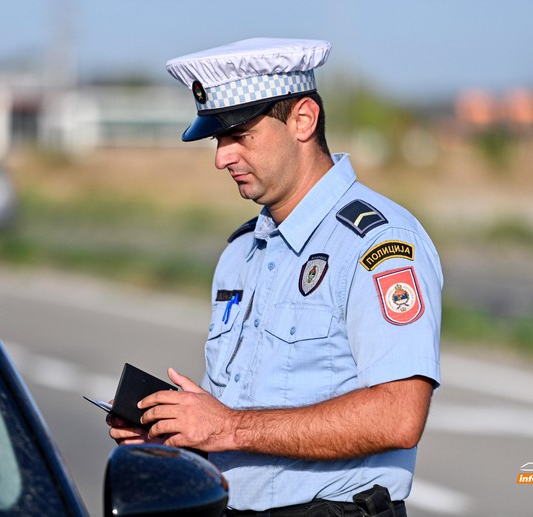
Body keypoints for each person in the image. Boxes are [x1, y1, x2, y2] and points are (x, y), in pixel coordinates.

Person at [108, 38, 442, 516]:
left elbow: (399, 415)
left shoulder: (377, 245)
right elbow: (238, 420)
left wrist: (227, 428)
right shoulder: (241, 252)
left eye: (239, 135)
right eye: (217, 140)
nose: (221, 158)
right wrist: (180, 435)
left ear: (303, 120)